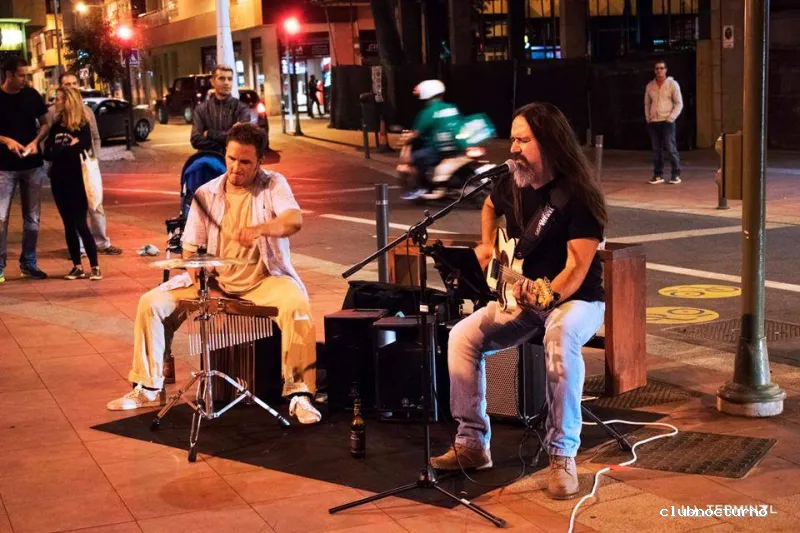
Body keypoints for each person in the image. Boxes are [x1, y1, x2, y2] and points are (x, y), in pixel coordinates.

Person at [431, 103, 608, 501]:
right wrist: (485, 244)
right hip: (521, 296)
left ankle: (562, 455)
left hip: (575, 300)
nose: (513, 147)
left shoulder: (578, 196)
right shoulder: (512, 182)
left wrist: (546, 298)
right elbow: (491, 206)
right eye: (512, 137)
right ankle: (473, 443)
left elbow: (577, 269)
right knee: (461, 337)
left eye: (523, 140)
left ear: (549, 143)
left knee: (559, 336)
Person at [107, 123, 321, 425]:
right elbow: (190, 249)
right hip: (215, 283)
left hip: (263, 281)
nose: (236, 167)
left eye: (245, 161)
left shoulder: (273, 184)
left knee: (297, 305)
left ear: (260, 161)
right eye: (232, 159)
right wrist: (200, 282)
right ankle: (147, 386)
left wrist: (261, 229)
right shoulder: (206, 193)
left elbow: (293, 219)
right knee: (151, 303)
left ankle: (299, 394)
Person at [48, 72, 122, 256]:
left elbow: (95, 137)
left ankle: (102, 242)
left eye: (74, 83)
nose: (72, 87)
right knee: (73, 210)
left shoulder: (87, 111)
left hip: (86, 165)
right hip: (65, 170)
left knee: (95, 204)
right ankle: (79, 248)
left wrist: (94, 158)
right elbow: (49, 140)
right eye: (67, 84)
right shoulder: (53, 113)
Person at [43, 88, 102, 281]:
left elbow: (81, 148)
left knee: (80, 224)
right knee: (68, 225)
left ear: (69, 102)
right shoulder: (56, 126)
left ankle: (95, 266)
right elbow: (48, 153)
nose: (56, 102)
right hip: (58, 181)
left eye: (59, 99)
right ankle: (77, 266)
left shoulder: (82, 126)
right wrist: (66, 147)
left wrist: (61, 149)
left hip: (77, 180)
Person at [0, 56, 50, 283]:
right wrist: (6, 140)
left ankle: (28, 263)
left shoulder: (31, 95)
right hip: (4, 168)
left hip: (32, 166)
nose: (25, 79)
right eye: (21, 75)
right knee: (0, 218)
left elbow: (46, 123)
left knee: (32, 218)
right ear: (9, 75)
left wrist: (36, 141)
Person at [399, 80, 464, 201]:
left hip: (437, 149)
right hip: (457, 146)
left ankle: (422, 188)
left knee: (416, 159)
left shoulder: (428, 112)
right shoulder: (451, 107)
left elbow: (416, 133)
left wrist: (407, 138)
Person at [190, 65, 251, 154]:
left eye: (230, 79)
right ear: (212, 81)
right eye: (221, 78)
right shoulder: (201, 109)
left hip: (233, 163)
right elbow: (195, 140)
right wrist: (221, 147)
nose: (226, 83)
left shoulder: (242, 108)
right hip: (208, 162)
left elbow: (241, 138)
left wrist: (210, 134)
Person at [644, 60, 683, 185]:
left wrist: (671, 118)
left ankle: (675, 174)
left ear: (666, 70)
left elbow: (679, 103)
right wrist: (648, 117)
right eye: (657, 68)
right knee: (656, 150)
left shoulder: (672, 84)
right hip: (654, 122)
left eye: (661, 68)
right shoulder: (650, 85)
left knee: (670, 148)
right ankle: (658, 175)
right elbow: (647, 103)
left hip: (667, 121)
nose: (659, 71)